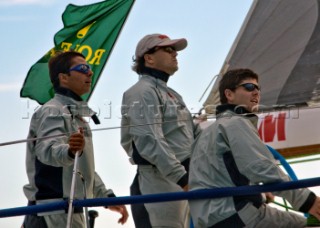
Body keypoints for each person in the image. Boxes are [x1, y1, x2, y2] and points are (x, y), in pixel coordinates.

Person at [188, 68, 320, 228]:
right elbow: (260, 166)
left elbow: (220, 175)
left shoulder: (206, 133)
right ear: (229, 94)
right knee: (310, 225)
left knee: (301, 222)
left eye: (258, 88)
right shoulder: (235, 122)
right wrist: (307, 201)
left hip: (212, 219)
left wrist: (259, 191)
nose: (256, 92)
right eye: (249, 87)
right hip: (237, 215)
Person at [22, 50, 128, 228]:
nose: (90, 72)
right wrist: (69, 150)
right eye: (83, 68)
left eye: (90, 68)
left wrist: (107, 197)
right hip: (53, 213)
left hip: (70, 211)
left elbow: (81, 170)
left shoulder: (76, 117)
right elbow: (47, 151)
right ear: (64, 78)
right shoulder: (53, 110)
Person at [120, 33, 202, 227]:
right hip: (157, 182)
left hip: (178, 180)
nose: (175, 54)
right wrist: (183, 178)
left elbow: (196, 134)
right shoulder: (141, 92)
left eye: (174, 50)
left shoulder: (171, 94)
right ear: (148, 58)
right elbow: (150, 141)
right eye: (168, 49)